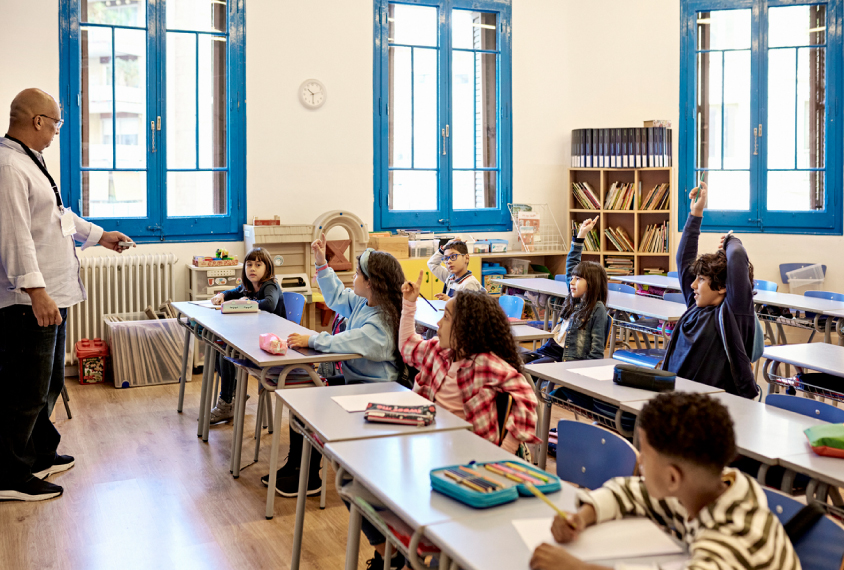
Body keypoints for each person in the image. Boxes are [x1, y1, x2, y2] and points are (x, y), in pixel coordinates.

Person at [0, 88, 133, 501]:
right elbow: (15, 236)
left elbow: (57, 216)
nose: (57, 131)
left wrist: (99, 236)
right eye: (55, 123)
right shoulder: (7, 165)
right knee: (25, 391)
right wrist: (36, 291)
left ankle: (39, 452)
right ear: (37, 120)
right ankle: (9, 476)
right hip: (30, 302)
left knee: (48, 383)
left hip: (54, 295)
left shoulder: (28, 160)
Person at [357, 278, 538, 570]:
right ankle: (390, 554)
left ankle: (412, 551)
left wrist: (506, 448)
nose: (439, 323)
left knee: (374, 485)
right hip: (429, 448)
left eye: (446, 317)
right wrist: (409, 304)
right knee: (356, 481)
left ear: (467, 329)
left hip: (465, 463)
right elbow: (407, 346)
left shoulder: (486, 364)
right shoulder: (438, 353)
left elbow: (528, 399)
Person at [530, 392, 800, 570]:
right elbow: (631, 492)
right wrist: (584, 517)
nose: (640, 463)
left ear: (673, 478)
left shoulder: (731, 540)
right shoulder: (706, 490)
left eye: (645, 456)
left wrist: (577, 567)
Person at [260, 234, 405, 497]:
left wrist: (312, 339)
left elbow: (346, 341)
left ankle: (308, 476)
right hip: (356, 383)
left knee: (312, 401)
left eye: (358, 274)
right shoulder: (365, 301)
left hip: (375, 392)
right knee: (304, 396)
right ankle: (297, 465)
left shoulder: (382, 322)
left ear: (371, 283)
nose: (354, 277)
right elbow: (338, 296)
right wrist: (321, 264)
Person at [662, 182, 758, 399]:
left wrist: (731, 240)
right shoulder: (695, 307)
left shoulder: (734, 313)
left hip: (712, 408)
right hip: (677, 399)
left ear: (724, 287)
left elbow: (737, 257)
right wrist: (696, 213)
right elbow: (683, 259)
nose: (693, 285)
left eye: (702, 280)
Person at [207, 247, 286, 423]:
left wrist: (249, 303)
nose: (252, 269)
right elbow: (233, 293)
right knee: (218, 346)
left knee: (226, 350)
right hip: (254, 336)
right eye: (249, 264)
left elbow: (270, 304)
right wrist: (221, 295)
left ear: (268, 269)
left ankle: (227, 401)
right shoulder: (248, 286)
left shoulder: (270, 285)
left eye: (258, 265)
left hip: (272, 341)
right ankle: (234, 394)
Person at [524, 216, 608, 365]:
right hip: (549, 349)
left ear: (593, 283)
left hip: (563, 357)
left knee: (528, 370)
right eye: (572, 278)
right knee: (511, 362)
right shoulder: (574, 298)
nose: (572, 282)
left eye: (578, 279)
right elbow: (572, 263)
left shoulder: (597, 309)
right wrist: (581, 234)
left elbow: (597, 352)